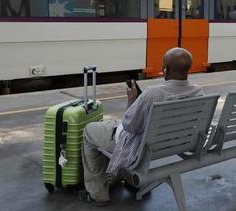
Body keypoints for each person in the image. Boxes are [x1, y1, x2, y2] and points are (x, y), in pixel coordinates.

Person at [80, 48, 203, 206]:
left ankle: (98, 193)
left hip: (144, 148)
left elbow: (129, 126)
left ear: (166, 69)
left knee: (90, 130)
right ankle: (132, 182)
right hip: (173, 144)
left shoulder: (153, 93)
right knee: (117, 126)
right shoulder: (198, 91)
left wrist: (132, 101)